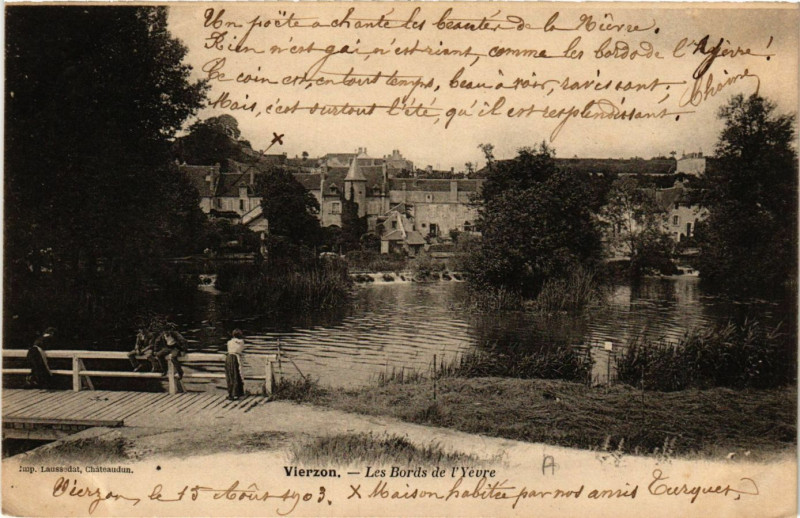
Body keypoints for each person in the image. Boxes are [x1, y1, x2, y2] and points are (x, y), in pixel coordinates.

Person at [225, 329, 246, 400]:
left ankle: (231, 393)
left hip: (229, 358)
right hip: (235, 358)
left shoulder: (229, 342)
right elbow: (241, 350)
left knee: (230, 376)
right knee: (237, 375)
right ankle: (237, 393)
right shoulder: (241, 342)